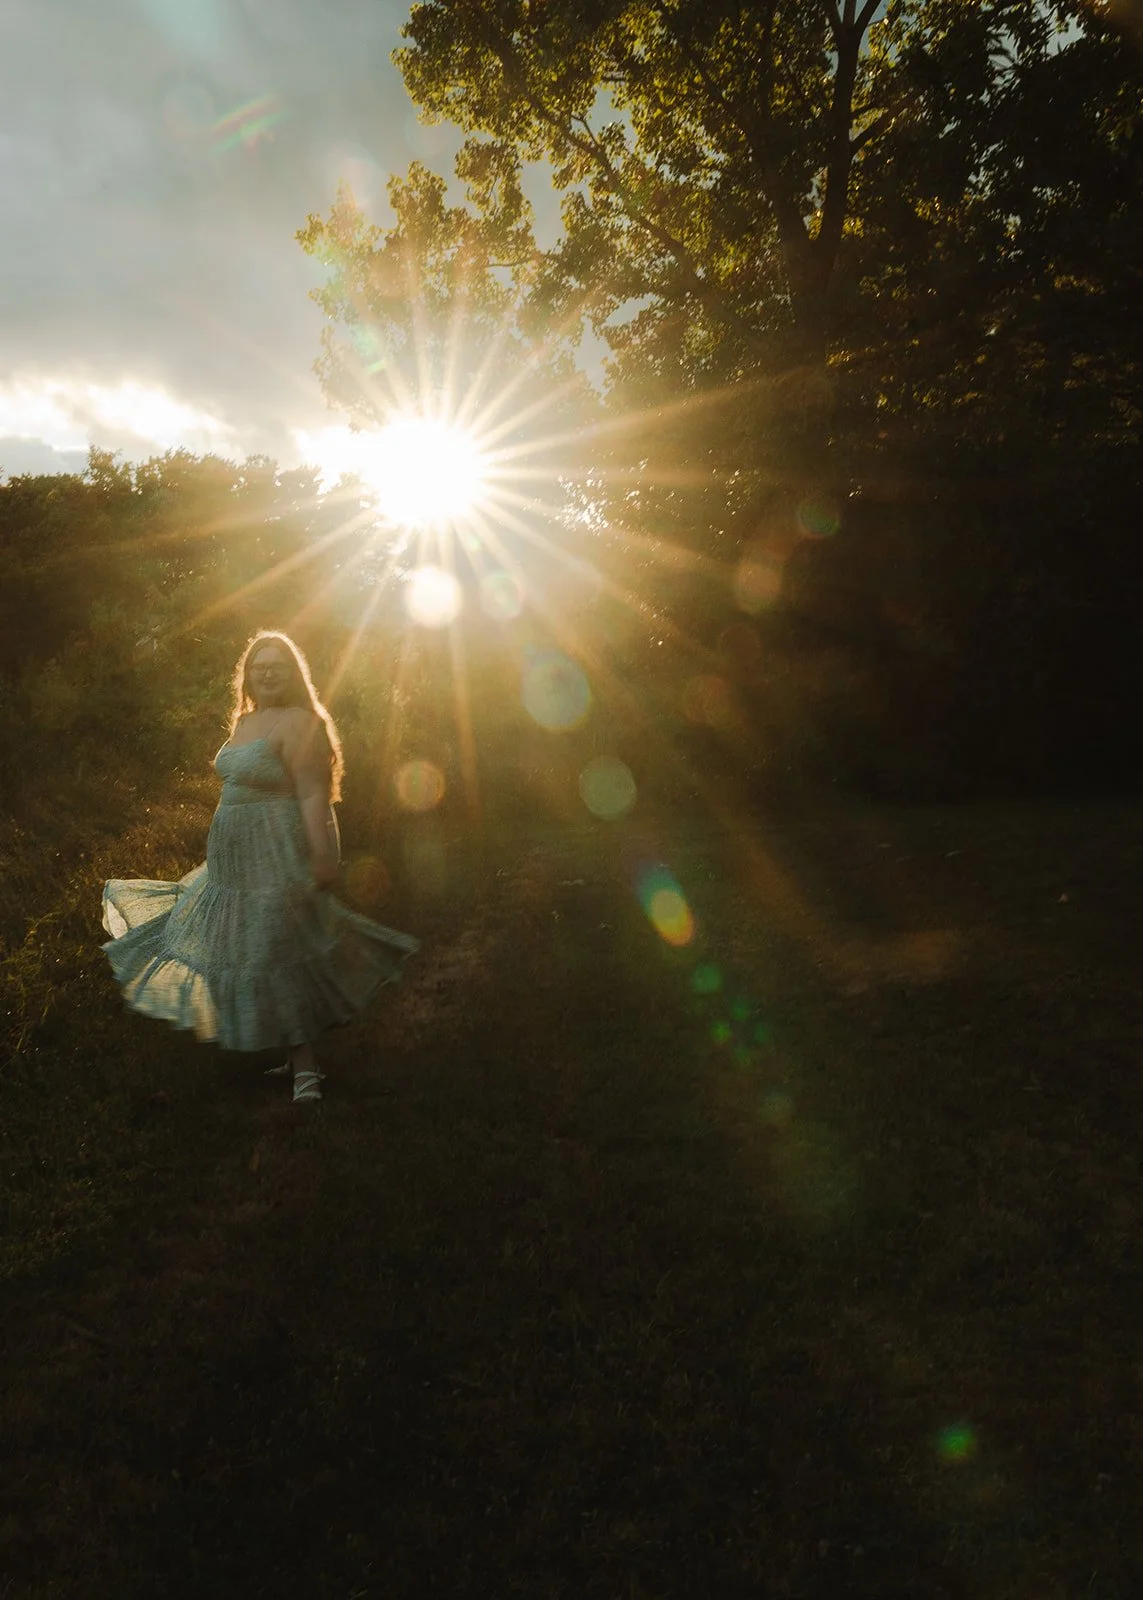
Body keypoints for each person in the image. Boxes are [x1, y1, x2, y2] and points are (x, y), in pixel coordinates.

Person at [101, 630, 418, 1103]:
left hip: (276, 854)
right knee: (251, 950)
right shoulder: (245, 720)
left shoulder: (300, 722)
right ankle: (292, 1054)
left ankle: (306, 1071)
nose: (267, 674)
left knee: (276, 952)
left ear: (293, 674)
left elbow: (313, 796)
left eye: (277, 666)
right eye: (259, 666)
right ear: (247, 675)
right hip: (233, 866)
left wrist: (324, 857)